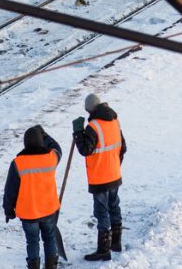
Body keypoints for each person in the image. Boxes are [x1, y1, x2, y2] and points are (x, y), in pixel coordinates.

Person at [73, 93, 127, 261]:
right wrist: (114, 166)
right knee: (114, 206)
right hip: (114, 174)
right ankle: (116, 242)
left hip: (100, 177)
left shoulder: (93, 127)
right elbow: (122, 147)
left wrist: (78, 132)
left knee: (102, 212)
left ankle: (104, 249)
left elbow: (85, 150)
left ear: (90, 110)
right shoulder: (114, 121)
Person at [3, 125, 63, 269]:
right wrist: (45, 135)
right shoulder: (51, 158)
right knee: (49, 239)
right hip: (49, 210)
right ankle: (51, 266)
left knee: (32, 242)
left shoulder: (18, 163)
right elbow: (57, 148)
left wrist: (8, 210)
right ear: (41, 142)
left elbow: (10, 190)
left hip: (29, 213)